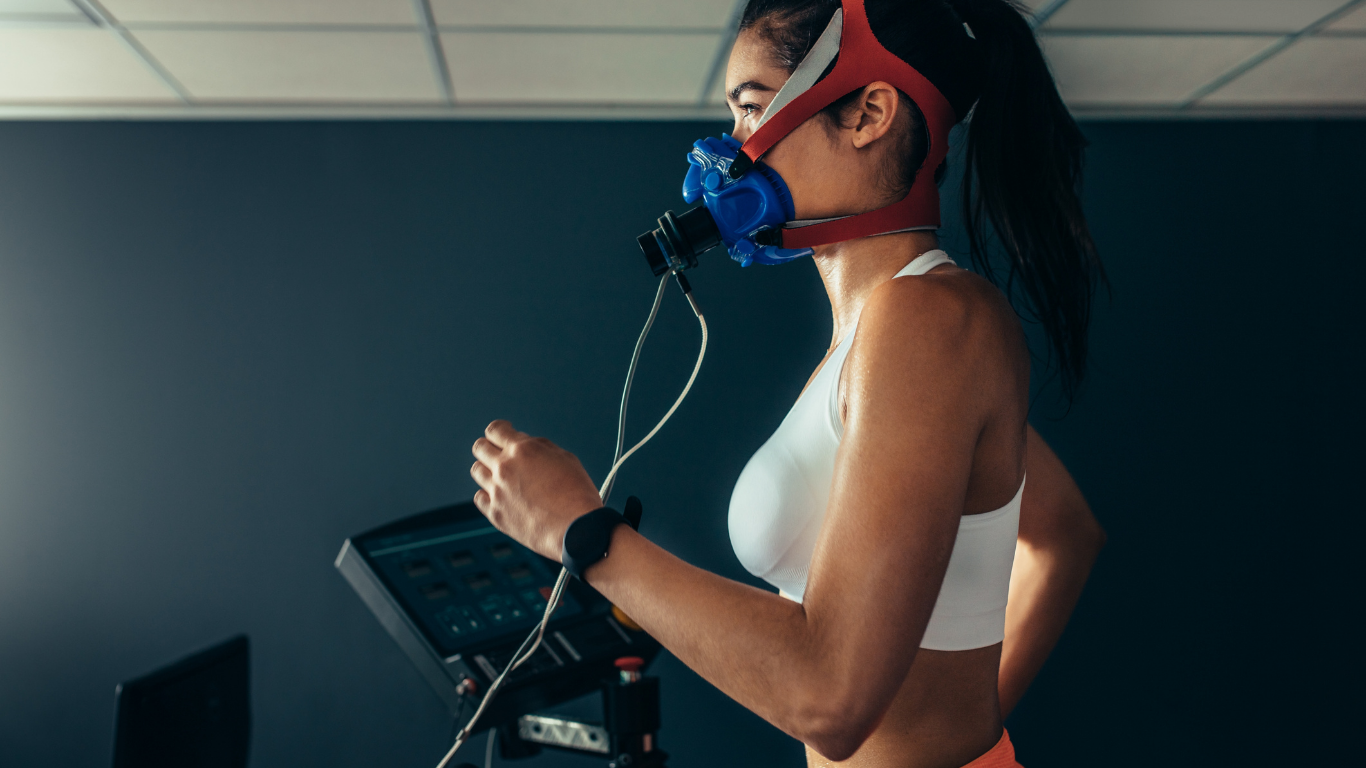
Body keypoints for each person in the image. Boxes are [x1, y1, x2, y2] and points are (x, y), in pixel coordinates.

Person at [468, 1, 1107, 765]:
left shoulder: (927, 324)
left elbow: (829, 700)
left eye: (749, 109)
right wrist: (963, 724)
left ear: (869, 112)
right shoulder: (881, 340)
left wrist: (583, 533)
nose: (730, 150)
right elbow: (1063, 531)